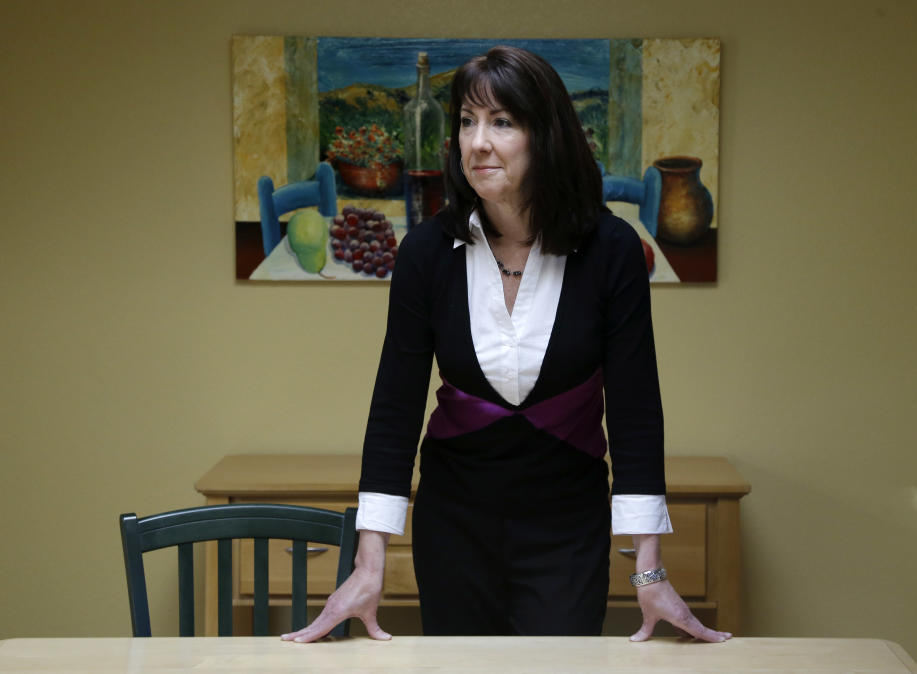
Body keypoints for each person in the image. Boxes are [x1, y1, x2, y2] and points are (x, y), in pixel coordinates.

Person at [282, 45, 731, 643]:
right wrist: (369, 564)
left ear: (546, 135)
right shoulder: (424, 254)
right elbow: (394, 409)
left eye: (502, 122)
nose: (477, 142)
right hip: (454, 520)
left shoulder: (612, 250)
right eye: (466, 122)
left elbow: (634, 411)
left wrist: (648, 570)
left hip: (569, 523)